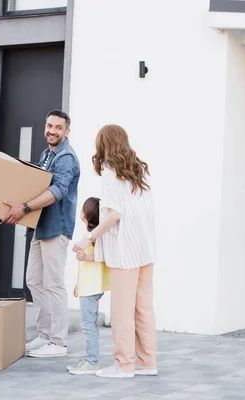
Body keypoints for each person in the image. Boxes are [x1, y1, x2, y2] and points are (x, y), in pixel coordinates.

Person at [73, 124, 157, 379]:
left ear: (104, 144)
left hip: (124, 252)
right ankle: (147, 362)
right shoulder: (140, 170)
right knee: (143, 308)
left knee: (121, 311)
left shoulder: (110, 172)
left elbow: (113, 215)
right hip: (145, 249)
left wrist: (89, 235)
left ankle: (124, 365)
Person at [3, 109, 80, 358]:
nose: (52, 130)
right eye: (49, 126)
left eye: (58, 127)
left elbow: (57, 190)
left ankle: (58, 342)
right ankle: (44, 335)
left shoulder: (66, 157)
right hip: (41, 226)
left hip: (57, 228)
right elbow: (35, 184)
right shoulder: (47, 154)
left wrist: (24, 207)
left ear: (67, 132)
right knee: (34, 280)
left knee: (54, 284)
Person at [67, 197, 111, 375]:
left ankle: (92, 361)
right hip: (89, 287)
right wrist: (78, 285)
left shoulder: (93, 238)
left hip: (91, 288)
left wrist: (85, 257)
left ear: (84, 215)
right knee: (89, 324)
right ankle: (89, 359)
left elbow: (104, 256)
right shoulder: (93, 237)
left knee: (88, 325)